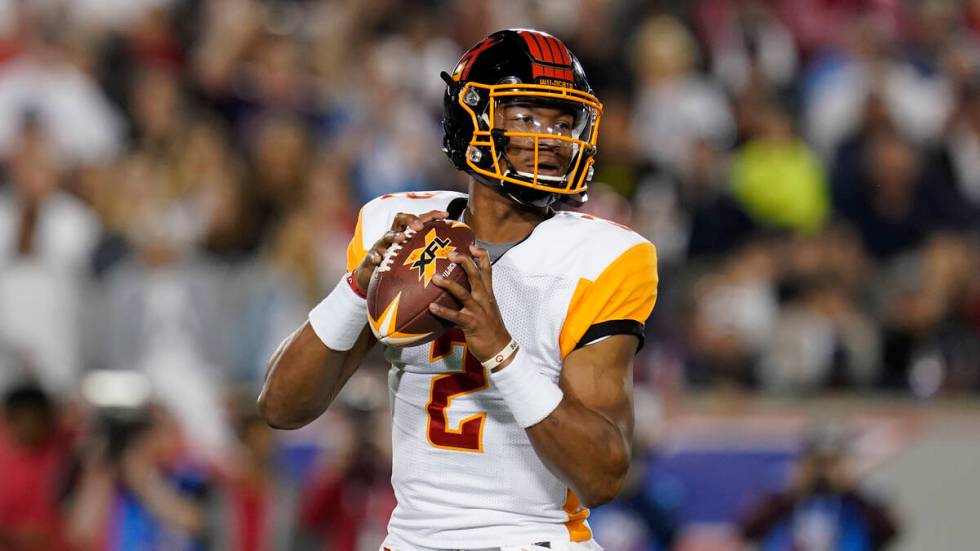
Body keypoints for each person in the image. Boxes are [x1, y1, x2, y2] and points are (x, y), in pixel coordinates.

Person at [259, 29, 659, 550]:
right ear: (473, 119)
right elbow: (282, 408)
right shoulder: (398, 226)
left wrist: (501, 349)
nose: (555, 139)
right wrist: (357, 289)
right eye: (528, 116)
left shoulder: (601, 259)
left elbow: (603, 476)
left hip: (533, 539)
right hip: (410, 540)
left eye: (564, 122)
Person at [739, 426, 899, 550]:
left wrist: (850, 489)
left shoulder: (859, 500)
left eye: (831, 462)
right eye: (817, 462)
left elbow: (889, 532)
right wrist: (792, 492)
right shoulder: (781, 495)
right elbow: (747, 530)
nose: (823, 470)